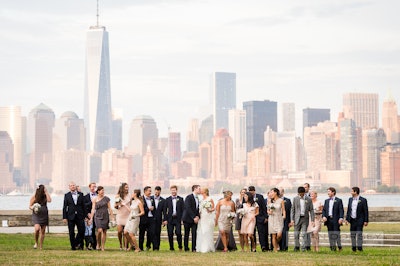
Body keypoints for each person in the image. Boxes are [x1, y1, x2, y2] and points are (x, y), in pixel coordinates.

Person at [89, 186, 115, 251]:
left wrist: (112, 218)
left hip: (105, 216)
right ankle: (98, 244)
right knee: (99, 230)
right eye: (101, 190)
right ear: (98, 191)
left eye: (103, 190)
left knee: (104, 231)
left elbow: (110, 208)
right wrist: (91, 218)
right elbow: (93, 209)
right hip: (97, 216)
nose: (102, 192)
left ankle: (103, 246)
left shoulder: (107, 199)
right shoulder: (94, 199)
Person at [290, 186, 315, 252]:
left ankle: (303, 248)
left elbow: (311, 210)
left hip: (305, 218)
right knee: (296, 234)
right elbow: (293, 209)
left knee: (304, 234)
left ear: (304, 193)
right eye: (299, 194)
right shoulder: (295, 199)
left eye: (302, 194)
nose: (300, 195)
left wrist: (312, 220)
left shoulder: (308, 199)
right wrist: (292, 219)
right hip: (297, 219)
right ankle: (297, 247)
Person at [63, 181, 86, 250]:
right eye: (71, 185)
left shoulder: (81, 194)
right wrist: (64, 217)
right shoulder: (67, 195)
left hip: (80, 215)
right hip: (70, 216)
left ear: (75, 186)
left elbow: (83, 206)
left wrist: (85, 216)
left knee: (82, 231)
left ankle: (79, 245)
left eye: (74, 185)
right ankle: (73, 246)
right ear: (69, 187)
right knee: (71, 232)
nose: (73, 186)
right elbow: (65, 207)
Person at [346, 186, 369, 252]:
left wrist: (366, 220)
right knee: (352, 234)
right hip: (352, 220)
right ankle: (353, 248)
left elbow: (365, 211)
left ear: (355, 192)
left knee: (359, 234)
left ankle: (360, 248)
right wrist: (347, 219)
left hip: (360, 219)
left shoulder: (363, 200)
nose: (351, 192)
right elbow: (349, 210)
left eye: (352, 191)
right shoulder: (350, 199)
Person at [29, 184, 51, 250]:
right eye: (44, 189)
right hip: (37, 215)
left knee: (43, 230)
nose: (44, 190)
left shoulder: (45, 196)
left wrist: (47, 192)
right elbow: (30, 206)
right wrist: (33, 208)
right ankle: (36, 242)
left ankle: (41, 245)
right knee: (37, 229)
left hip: (44, 215)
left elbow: (49, 200)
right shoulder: (34, 197)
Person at [322, 187, 344, 251]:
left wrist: (341, 218)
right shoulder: (326, 201)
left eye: (329, 191)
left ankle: (339, 246)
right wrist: (324, 216)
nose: (328, 193)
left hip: (336, 219)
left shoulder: (339, 200)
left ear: (333, 192)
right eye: (328, 191)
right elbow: (324, 210)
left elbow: (341, 210)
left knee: (336, 233)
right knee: (330, 234)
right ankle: (332, 248)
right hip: (328, 220)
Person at [163, 185, 185, 251]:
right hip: (170, 219)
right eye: (172, 190)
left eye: (174, 190)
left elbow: (183, 209)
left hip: (178, 219)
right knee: (170, 233)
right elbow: (165, 210)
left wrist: (182, 219)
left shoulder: (181, 199)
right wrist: (165, 219)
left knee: (178, 233)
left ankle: (180, 247)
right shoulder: (167, 199)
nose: (173, 191)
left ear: (176, 190)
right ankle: (171, 247)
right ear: (170, 191)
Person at [248, 186, 269, 251]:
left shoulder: (260, 197)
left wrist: (265, 217)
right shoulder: (247, 197)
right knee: (252, 233)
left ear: (254, 191)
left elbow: (264, 207)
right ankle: (253, 247)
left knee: (261, 233)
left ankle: (263, 246)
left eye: (252, 192)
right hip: (251, 218)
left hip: (260, 217)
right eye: (250, 192)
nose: (251, 193)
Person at [196, 187, 215, 253]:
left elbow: (213, 208)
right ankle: (201, 247)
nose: (201, 191)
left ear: (205, 192)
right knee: (201, 231)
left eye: (202, 190)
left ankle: (207, 247)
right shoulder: (201, 199)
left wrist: (209, 210)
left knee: (207, 231)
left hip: (208, 216)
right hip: (202, 217)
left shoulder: (210, 199)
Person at [182, 184, 201, 252]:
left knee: (194, 234)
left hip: (195, 220)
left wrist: (198, 216)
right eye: (199, 189)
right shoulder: (188, 197)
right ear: (195, 189)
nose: (200, 190)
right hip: (187, 219)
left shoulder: (198, 198)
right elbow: (188, 208)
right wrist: (193, 217)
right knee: (186, 234)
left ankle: (194, 248)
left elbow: (198, 208)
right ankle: (186, 248)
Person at [267, 188, 285, 252]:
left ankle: (277, 243)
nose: (270, 194)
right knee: (273, 235)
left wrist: (284, 216)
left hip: (279, 218)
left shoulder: (281, 200)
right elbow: (268, 211)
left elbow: (283, 209)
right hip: (272, 219)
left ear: (275, 193)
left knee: (279, 235)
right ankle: (275, 249)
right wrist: (269, 212)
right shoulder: (269, 201)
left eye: (272, 192)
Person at [115, 183, 131, 250]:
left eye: (128, 187)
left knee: (126, 231)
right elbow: (115, 206)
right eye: (126, 187)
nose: (127, 189)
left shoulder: (130, 196)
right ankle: (120, 244)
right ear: (122, 188)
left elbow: (131, 205)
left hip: (127, 214)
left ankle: (126, 246)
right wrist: (119, 205)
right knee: (119, 231)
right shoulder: (118, 196)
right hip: (120, 214)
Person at [139, 186, 155, 251]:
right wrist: (148, 209)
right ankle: (140, 247)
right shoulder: (141, 199)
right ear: (145, 191)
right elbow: (140, 209)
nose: (150, 192)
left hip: (151, 218)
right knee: (142, 233)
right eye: (149, 191)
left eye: (151, 191)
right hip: (143, 218)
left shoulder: (152, 198)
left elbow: (154, 207)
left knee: (151, 233)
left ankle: (148, 246)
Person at [84, 182, 97, 250]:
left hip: (97, 215)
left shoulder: (99, 195)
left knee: (96, 231)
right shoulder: (86, 197)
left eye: (95, 186)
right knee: (89, 231)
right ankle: (88, 245)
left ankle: (95, 245)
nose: (94, 188)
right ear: (89, 187)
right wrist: (88, 214)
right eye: (92, 186)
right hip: (89, 216)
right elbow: (84, 206)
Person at [278, 187, 291, 252]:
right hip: (277, 219)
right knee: (278, 233)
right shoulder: (275, 200)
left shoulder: (287, 200)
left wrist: (290, 221)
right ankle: (278, 247)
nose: (279, 193)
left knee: (285, 233)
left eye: (280, 191)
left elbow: (290, 211)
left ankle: (284, 248)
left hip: (286, 220)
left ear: (282, 192)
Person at [152, 186, 165, 251]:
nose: (157, 192)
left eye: (158, 191)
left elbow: (164, 211)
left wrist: (164, 220)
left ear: (160, 191)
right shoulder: (150, 198)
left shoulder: (163, 200)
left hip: (159, 219)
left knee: (157, 233)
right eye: (156, 191)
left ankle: (157, 247)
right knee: (152, 233)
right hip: (151, 219)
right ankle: (152, 246)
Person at [303, 182, 311, 249]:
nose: (304, 188)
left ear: (308, 188)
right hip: (303, 216)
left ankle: (308, 246)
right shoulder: (300, 195)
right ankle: (305, 245)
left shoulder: (311, 195)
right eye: (304, 187)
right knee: (304, 231)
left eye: (305, 187)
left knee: (309, 231)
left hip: (310, 216)